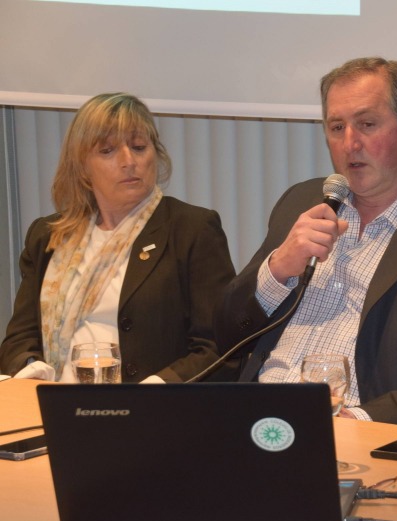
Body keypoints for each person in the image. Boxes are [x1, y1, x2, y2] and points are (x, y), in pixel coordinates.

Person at [213, 57, 397, 433]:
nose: (349, 143)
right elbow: (226, 333)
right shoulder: (303, 201)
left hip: (365, 438)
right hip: (257, 417)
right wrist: (277, 270)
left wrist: (357, 421)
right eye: (336, 127)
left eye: (367, 124)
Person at [0, 93, 236, 383]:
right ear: (82, 167)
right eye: (108, 151)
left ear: (156, 154)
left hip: (149, 410)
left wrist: (158, 388)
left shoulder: (192, 229)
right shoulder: (49, 235)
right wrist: (30, 368)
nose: (128, 161)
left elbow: (218, 347)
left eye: (139, 147)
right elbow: (19, 338)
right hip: (54, 403)